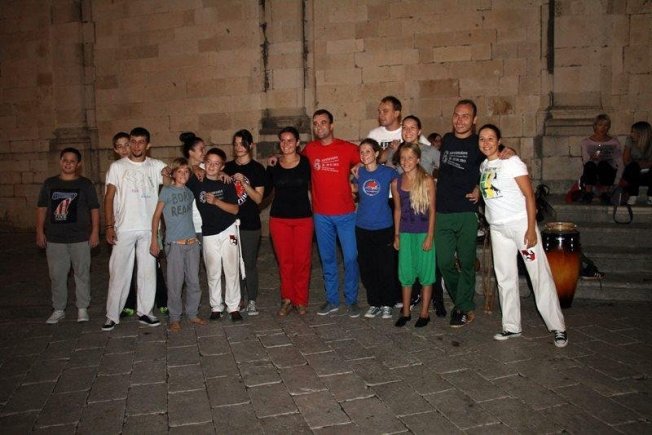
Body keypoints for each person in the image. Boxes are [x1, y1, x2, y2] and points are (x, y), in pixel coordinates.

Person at [477, 124, 568, 348]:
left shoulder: (512, 161)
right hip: (498, 229)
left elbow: (529, 196)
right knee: (505, 278)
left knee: (539, 275)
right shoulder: (483, 166)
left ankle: (558, 327)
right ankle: (511, 326)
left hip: (520, 226)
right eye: (482, 139)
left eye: (491, 138)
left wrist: (530, 228)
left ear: (499, 141)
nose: (486, 143)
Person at [436, 99, 514, 328]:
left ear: (474, 120)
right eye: (456, 115)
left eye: (466, 116)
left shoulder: (479, 143)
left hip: (466, 210)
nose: (460, 120)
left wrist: (479, 188)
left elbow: (499, 157)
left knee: (467, 262)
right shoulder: (447, 139)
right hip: (443, 210)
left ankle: (463, 307)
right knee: (444, 262)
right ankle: (463, 301)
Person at [102, 127, 168, 331]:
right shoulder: (117, 167)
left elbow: (174, 176)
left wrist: (187, 170)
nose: (137, 145)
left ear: (148, 145)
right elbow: (109, 197)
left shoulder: (156, 165)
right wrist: (109, 225)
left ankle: (145, 312)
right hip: (124, 227)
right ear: (129, 143)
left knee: (148, 272)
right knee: (118, 272)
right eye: (133, 141)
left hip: (148, 228)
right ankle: (112, 315)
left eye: (141, 142)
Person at [304, 109, 361, 317]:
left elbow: (369, 159)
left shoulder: (347, 148)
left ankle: (352, 299)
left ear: (332, 125)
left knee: (351, 258)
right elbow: (293, 162)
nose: (319, 127)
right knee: (327, 259)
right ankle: (332, 300)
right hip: (321, 215)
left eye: (323, 122)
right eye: (316, 123)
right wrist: (276, 159)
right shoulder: (309, 149)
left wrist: (358, 175)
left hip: (346, 214)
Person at [37, 148, 100, 324]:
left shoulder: (85, 184)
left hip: (80, 237)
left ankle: (82, 307)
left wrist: (95, 231)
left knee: (82, 273)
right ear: (60, 161)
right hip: (55, 238)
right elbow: (42, 208)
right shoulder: (49, 183)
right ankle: (59, 308)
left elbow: (94, 209)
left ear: (78, 164)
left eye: (72, 161)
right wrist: (39, 231)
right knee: (57, 275)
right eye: (65, 160)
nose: (68, 164)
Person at [150, 158, 206, 332]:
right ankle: (174, 317)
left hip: (192, 243)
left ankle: (192, 313)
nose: (183, 174)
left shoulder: (189, 192)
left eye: (186, 171)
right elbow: (156, 216)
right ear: (174, 173)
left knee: (194, 281)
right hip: (175, 244)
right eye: (180, 171)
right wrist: (154, 239)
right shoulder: (166, 191)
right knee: (175, 283)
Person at [186, 148, 242, 322]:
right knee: (212, 270)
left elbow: (235, 209)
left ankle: (233, 306)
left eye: (216, 164)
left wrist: (217, 201)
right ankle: (216, 306)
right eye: (209, 162)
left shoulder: (226, 182)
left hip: (228, 229)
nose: (211, 166)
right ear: (204, 162)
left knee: (231, 269)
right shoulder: (197, 180)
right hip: (209, 231)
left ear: (222, 166)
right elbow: (180, 174)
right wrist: (195, 167)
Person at [267, 127, 313, 316]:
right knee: (285, 262)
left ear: (297, 143)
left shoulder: (306, 163)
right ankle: (287, 299)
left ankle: (300, 300)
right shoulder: (273, 165)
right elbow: (264, 190)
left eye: (290, 140)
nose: (286, 144)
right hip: (279, 219)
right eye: (283, 140)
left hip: (303, 219)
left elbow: (318, 185)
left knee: (302, 261)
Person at [391, 143, 436, 328]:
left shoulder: (427, 180)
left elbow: (432, 210)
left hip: (424, 232)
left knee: (426, 274)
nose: (406, 161)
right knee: (406, 273)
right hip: (406, 233)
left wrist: (430, 236)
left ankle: (424, 313)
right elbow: (397, 210)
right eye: (403, 158)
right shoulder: (396, 183)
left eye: (410, 157)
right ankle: (406, 312)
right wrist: (396, 235)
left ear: (418, 159)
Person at [353, 138, 399, 320]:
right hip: (362, 227)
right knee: (367, 267)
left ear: (377, 153)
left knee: (385, 267)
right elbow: (352, 190)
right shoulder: (358, 173)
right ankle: (375, 303)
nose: (364, 155)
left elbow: (405, 180)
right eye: (362, 152)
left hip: (383, 226)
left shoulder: (388, 172)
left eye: (368, 151)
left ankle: (388, 303)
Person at [224, 129, 267, 316]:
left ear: (251, 145)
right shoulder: (227, 167)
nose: (238, 147)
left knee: (248, 262)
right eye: (235, 144)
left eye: (242, 144)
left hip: (250, 224)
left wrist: (244, 183)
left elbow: (258, 199)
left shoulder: (257, 169)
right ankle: (237, 298)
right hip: (229, 225)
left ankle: (252, 300)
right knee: (233, 263)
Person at [367, 96, 430, 163]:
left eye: (385, 111)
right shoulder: (373, 134)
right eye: (380, 112)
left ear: (396, 113)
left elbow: (429, 153)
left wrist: (401, 149)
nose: (381, 115)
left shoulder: (410, 133)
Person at [578, 114, 623, 203]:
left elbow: (619, 160)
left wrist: (619, 178)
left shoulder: (614, 142)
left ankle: (605, 193)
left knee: (604, 164)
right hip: (593, 168)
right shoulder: (586, 142)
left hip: (607, 169)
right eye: (600, 125)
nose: (603, 128)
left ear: (609, 127)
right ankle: (588, 193)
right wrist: (593, 158)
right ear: (595, 126)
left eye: (606, 125)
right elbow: (585, 161)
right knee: (590, 165)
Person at [180, 132, 207, 239]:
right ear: (191, 152)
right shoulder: (180, 170)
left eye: (204, 149)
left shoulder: (208, 167)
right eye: (201, 149)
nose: (204, 152)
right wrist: (193, 167)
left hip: (205, 222)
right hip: (188, 223)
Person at [621, 121, 652, 205]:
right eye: (631, 132)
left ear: (641, 134)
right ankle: (633, 195)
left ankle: (650, 196)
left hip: (648, 170)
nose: (631, 134)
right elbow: (626, 161)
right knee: (633, 166)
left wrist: (644, 164)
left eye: (633, 132)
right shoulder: (630, 140)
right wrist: (639, 164)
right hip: (634, 170)